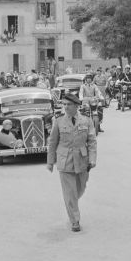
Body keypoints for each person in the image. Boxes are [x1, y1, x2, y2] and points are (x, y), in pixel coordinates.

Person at [46, 92, 97, 232]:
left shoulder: (87, 121)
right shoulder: (59, 121)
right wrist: (50, 162)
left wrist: (92, 159)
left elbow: (92, 142)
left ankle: (73, 203)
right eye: (64, 105)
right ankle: (75, 220)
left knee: (80, 189)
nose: (66, 107)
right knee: (70, 193)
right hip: (65, 160)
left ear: (76, 106)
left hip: (82, 160)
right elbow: (52, 142)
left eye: (69, 105)